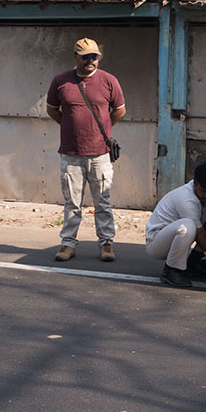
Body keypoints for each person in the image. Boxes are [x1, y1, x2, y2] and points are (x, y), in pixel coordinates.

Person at [46, 37, 126, 262]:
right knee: (72, 202)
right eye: (86, 57)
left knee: (103, 201)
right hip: (71, 153)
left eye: (95, 57)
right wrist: (71, 126)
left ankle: (106, 243)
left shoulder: (109, 80)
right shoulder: (61, 81)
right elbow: (53, 110)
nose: (91, 61)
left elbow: (119, 111)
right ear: (75, 58)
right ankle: (68, 244)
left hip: (100, 153)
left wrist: (100, 128)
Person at [145, 163, 206, 287]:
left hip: (175, 240)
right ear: (194, 184)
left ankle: (192, 263)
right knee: (187, 226)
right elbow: (202, 240)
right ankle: (171, 270)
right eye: (203, 191)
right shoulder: (186, 199)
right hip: (157, 244)